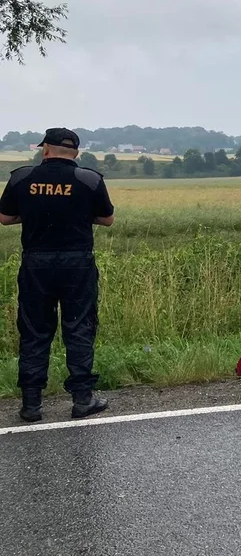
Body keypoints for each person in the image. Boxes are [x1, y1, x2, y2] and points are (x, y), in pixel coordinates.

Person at [0, 128, 114, 422]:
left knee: (35, 330)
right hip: (77, 263)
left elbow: (5, 217)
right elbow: (107, 219)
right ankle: (82, 400)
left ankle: (31, 404)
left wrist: (35, 213)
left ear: (46, 150)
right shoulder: (89, 179)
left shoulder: (21, 178)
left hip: (36, 263)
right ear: (75, 153)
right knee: (79, 328)